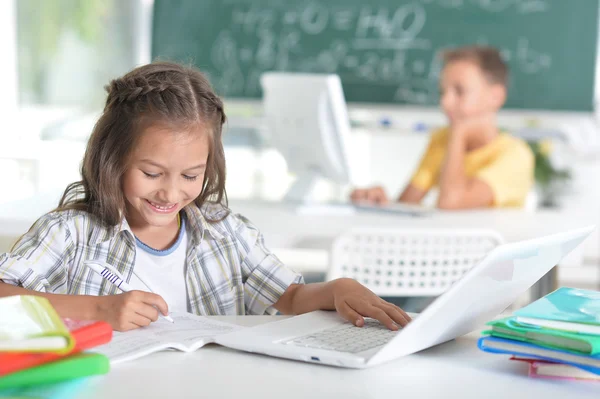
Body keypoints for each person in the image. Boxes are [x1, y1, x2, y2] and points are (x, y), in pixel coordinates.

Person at [0, 62, 410, 332]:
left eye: (191, 175)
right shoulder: (72, 233)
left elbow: (288, 297)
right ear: (112, 158)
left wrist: (336, 287)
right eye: (151, 173)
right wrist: (98, 310)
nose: (170, 192)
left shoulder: (225, 232)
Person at [351, 46, 534, 210]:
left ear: (496, 96)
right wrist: (382, 204)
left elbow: (451, 203)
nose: (445, 103)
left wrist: (458, 133)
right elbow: (407, 205)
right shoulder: (441, 140)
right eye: (442, 92)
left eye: (459, 91)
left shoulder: (515, 155)